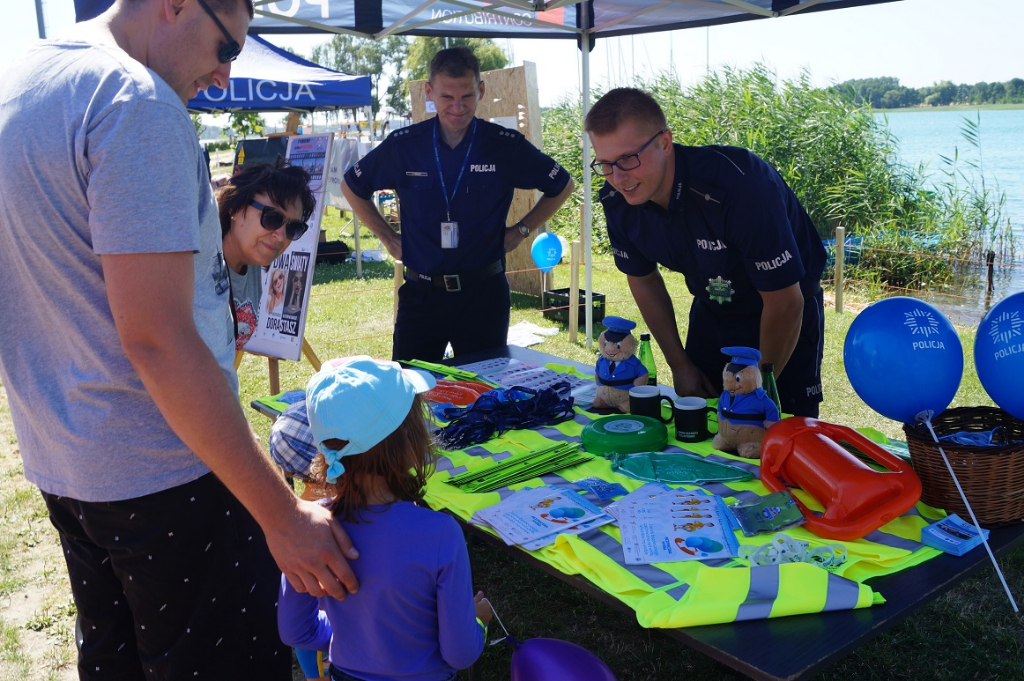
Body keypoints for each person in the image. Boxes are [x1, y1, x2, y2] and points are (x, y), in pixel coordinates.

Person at [0, 1, 358, 678]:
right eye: (227, 49)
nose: (224, 77)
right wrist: (282, 515)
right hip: (166, 475)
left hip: (65, 465)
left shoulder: (22, 81)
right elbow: (157, 339)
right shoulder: (137, 102)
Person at [585, 88, 827, 417]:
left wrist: (755, 392)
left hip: (784, 319)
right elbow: (643, 280)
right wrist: (679, 363)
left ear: (665, 142)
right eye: (605, 164)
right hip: (713, 313)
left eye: (628, 159)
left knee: (778, 430)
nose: (618, 178)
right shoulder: (617, 199)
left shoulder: (741, 187)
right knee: (701, 427)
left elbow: (785, 302)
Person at [341, 46, 575, 363]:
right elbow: (352, 186)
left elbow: (562, 185)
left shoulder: (503, 145)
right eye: (447, 97)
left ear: (481, 90)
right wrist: (387, 237)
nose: (457, 106)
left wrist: (521, 230)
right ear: (429, 92)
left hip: (483, 295)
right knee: (412, 386)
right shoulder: (405, 146)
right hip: (421, 296)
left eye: (466, 96)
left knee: (483, 388)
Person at [278, 356, 492, 681]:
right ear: (409, 442)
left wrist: (349, 640)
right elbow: (460, 653)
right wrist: (479, 621)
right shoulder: (441, 534)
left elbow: (295, 630)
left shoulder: (310, 530)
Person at [219, 159, 315, 349]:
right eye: (272, 218)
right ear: (235, 207)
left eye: (293, 228)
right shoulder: (198, 267)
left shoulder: (250, 263)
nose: (281, 236)